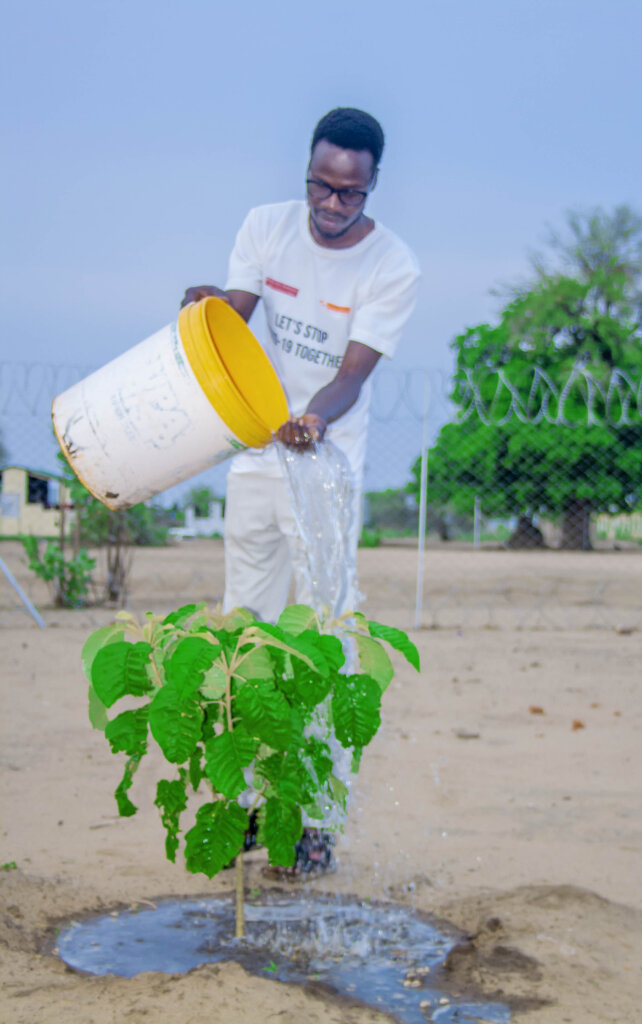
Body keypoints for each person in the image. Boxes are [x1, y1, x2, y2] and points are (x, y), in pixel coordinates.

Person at [181, 107, 420, 874]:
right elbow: (236, 321)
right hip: (254, 459)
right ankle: (253, 804)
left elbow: (351, 374)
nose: (330, 205)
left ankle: (316, 817)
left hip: (323, 473)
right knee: (246, 628)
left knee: (320, 639)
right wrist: (206, 308)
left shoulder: (393, 265)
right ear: (307, 173)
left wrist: (310, 421)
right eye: (320, 185)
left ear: (372, 184)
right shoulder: (265, 227)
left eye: (348, 193)